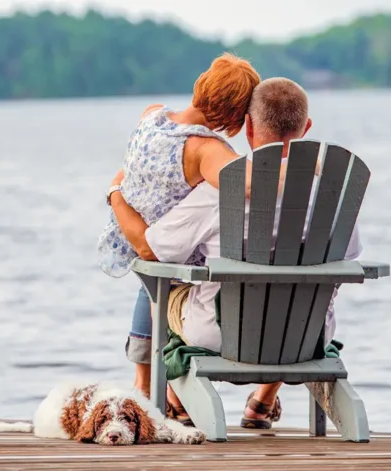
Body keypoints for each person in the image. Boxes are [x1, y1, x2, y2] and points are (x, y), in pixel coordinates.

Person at [108, 77, 363, 428]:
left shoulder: (219, 190)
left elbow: (151, 250)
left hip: (216, 333)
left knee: (160, 287)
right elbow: (346, 257)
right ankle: (263, 399)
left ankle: (169, 397)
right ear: (306, 128)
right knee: (294, 293)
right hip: (307, 333)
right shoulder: (331, 192)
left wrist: (115, 193)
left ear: (247, 128)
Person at [98, 52, 259, 398]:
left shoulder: (152, 115)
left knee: (149, 288)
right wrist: (308, 165)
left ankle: (142, 382)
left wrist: (115, 190)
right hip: (169, 250)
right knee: (170, 287)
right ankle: (174, 390)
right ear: (236, 112)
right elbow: (246, 184)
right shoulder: (205, 150)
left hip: (130, 231)